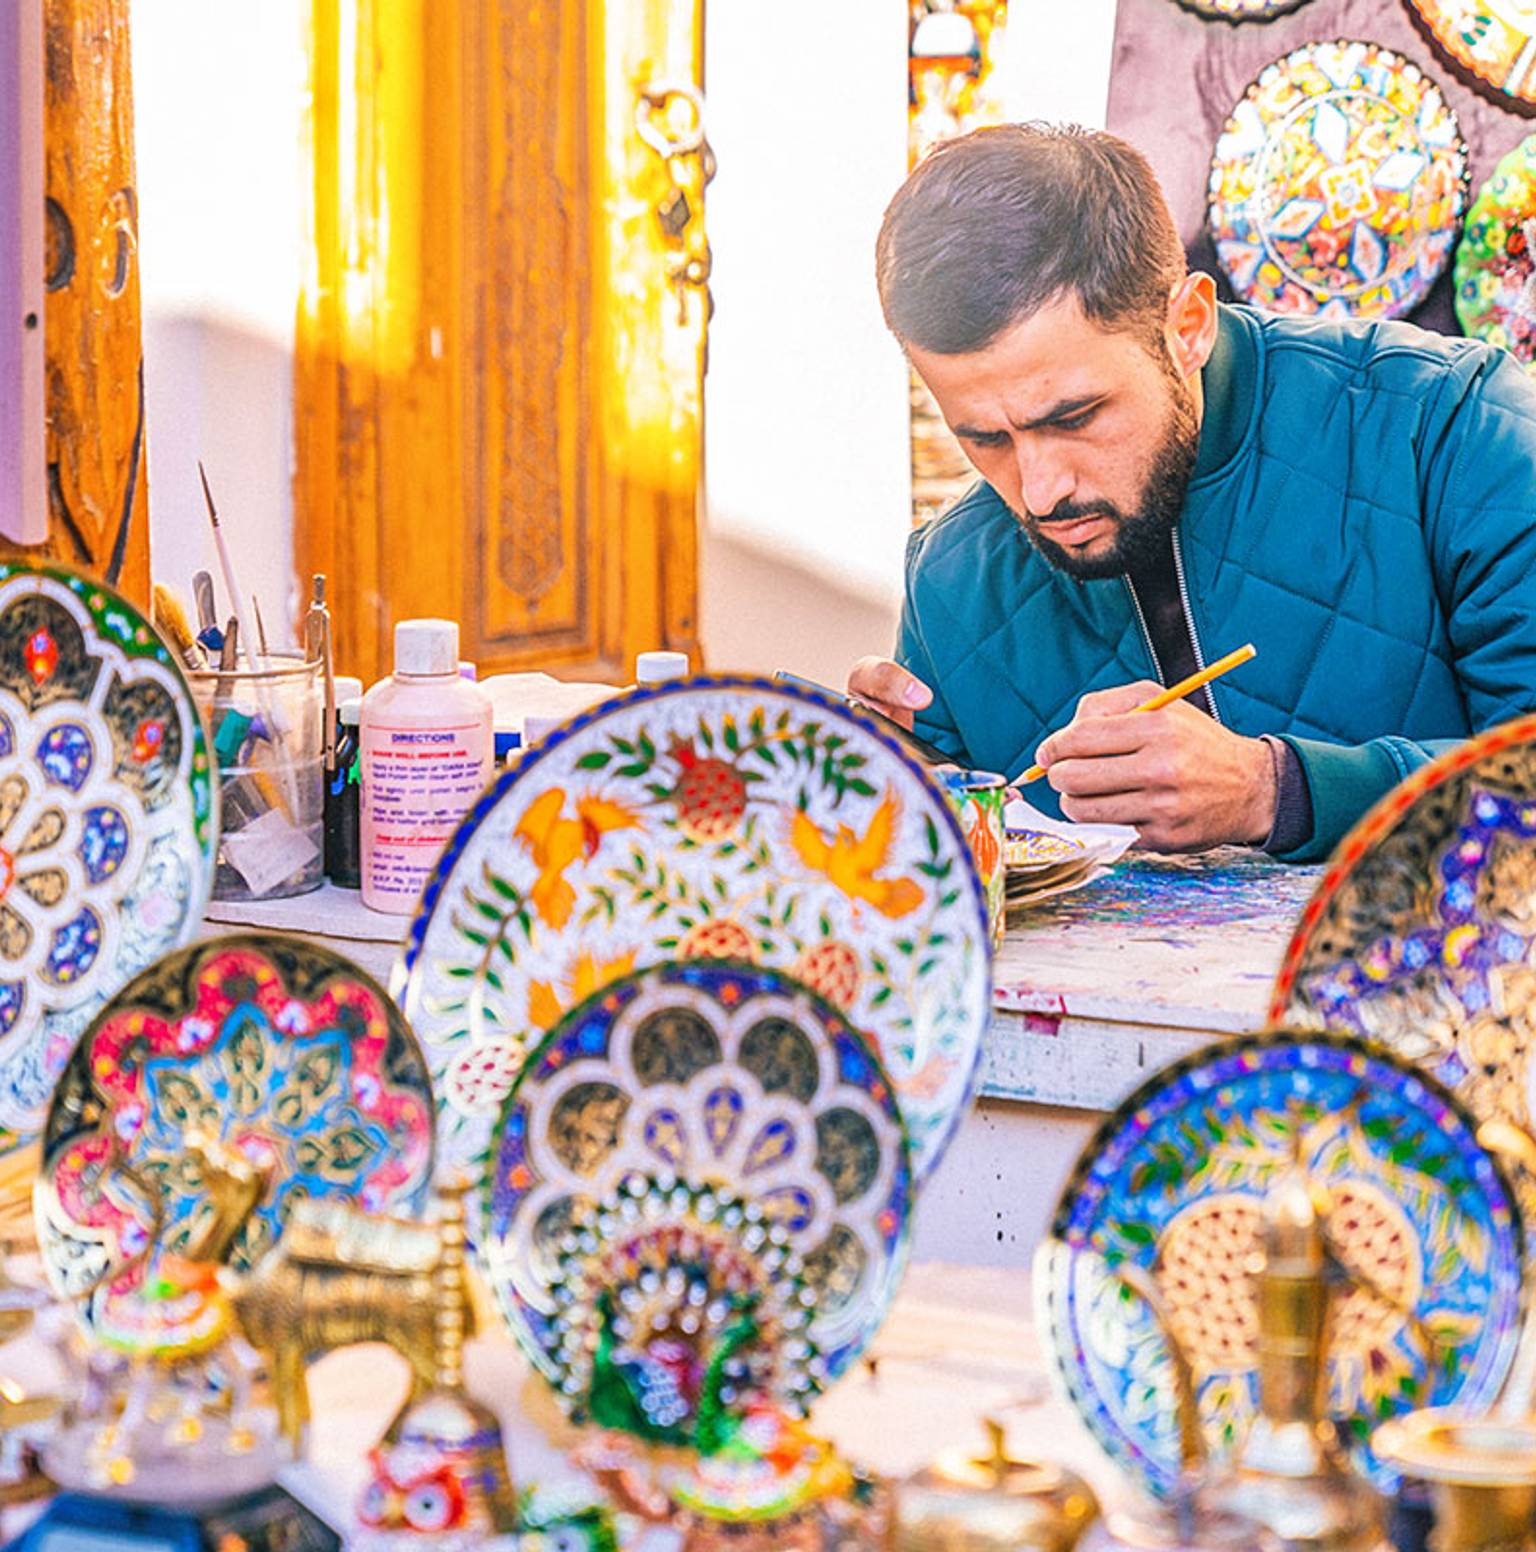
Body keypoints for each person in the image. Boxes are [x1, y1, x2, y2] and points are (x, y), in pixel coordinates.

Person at [848, 123, 1536, 863]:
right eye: (985, 438)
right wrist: (867, 796)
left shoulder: (1448, 427)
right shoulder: (949, 581)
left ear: (1189, 326)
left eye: (1075, 417)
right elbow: (935, 891)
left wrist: (1277, 791)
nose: (1041, 493)